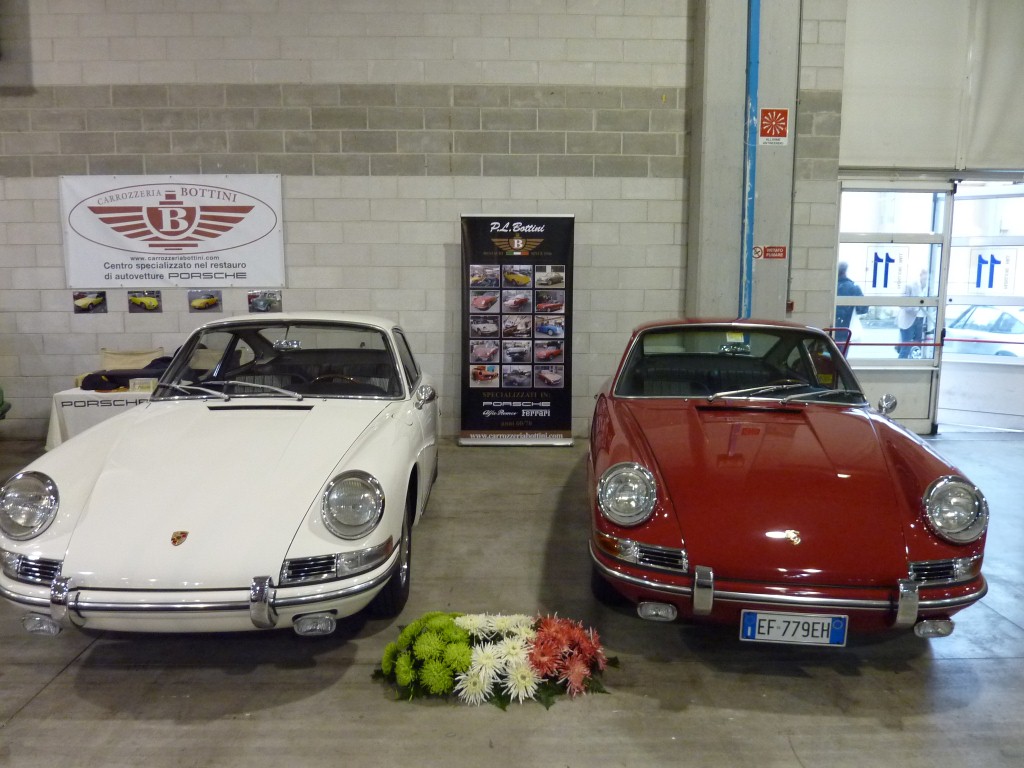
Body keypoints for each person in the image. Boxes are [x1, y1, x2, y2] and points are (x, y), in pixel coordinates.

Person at [897, 268, 928, 358]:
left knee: (917, 348)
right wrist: (916, 308)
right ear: (921, 275)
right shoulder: (910, 286)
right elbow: (902, 304)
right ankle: (900, 366)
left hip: (921, 320)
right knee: (906, 348)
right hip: (908, 320)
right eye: (925, 276)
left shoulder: (930, 288)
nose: (927, 279)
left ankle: (913, 365)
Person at [835, 262, 868, 328]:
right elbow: (863, 309)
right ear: (845, 272)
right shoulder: (853, 287)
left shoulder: (830, 287)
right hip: (847, 326)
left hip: (830, 325)